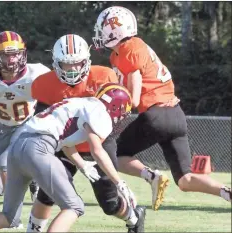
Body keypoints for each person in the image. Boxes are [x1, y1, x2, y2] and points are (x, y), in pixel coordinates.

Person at [0, 84, 144, 233]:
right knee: (74, 206)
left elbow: (65, 141)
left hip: (16, 148)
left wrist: (81, 164)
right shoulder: (99, 111)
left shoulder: (80, 104)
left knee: (9, 217)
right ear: (115, 107)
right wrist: (119, 182)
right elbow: (97, 149)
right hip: (38, 147)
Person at [92, 6, 232, 206]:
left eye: (102, 28)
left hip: (155, 115)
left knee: (114, 154)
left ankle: (151, 176)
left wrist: (112, 113)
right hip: (176, 115)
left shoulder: (128, 49)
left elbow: (134, 96)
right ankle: (226, 192)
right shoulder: (126, 50)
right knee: (185, 180)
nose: (99, 34)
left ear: (115, 31)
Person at [27, 34, 146, 233]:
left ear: (87, 61)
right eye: (66, 64)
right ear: (56, 63)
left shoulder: (104, 76)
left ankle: (134, 218)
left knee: (109, 203)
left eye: (77, 63)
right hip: (64, 144)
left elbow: (117, 113)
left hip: (98, 141)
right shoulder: (44, 84)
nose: (73, 69)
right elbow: (47, 127)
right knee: (47, 192)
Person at [0, 31, 50, 204]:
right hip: (3, 128)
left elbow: (54, 99)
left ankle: (11, 213)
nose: (12, 59)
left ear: (23, 54)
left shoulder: (35, 75)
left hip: (27, 125)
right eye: (6, 55)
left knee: (4, 163)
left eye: (15, 54)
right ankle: (31, 177)